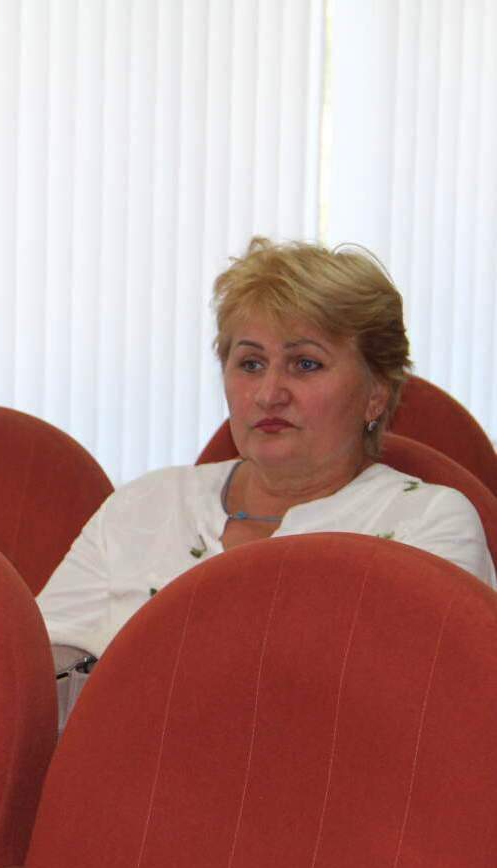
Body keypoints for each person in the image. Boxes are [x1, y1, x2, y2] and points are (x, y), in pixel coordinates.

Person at [41, 237, 496, 716]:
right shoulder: (144, 505)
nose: (268, 393)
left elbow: (425, 715)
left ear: (376, 394)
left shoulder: (426, 524)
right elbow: (35, 674)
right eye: (251, 364)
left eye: (306, 364)